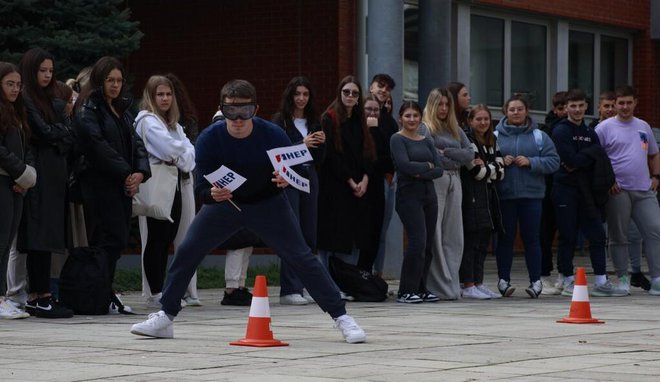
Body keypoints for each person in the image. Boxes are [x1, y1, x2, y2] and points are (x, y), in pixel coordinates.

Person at [130, 79, 366, 344]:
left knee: (302, 256)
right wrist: (212, 194)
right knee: (187, 250)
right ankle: (166, 315)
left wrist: (285, 178)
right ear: (222, 110)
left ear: (256, 109)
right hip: (226, 205)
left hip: (269, 204)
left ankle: (341, 317)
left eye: (245, 111)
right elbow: (200, 187)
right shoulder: (210, 138)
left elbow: (298, 167)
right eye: (231, 111)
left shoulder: (272, 134)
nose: (238, 119)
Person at [73, 56, 151, 313]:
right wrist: (126, 173)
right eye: (110, 80)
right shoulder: (88, 108)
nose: (115, 85)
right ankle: (100, 293)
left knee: (116, 240)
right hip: (99, 183)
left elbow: (136, 143)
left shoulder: (122, 109)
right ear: (99, 81)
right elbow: (96, 146)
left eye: (119, 80)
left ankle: (106, 292)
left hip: (121, 183)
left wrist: (140, 172)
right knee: (106, 238)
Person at [550, 88, 626, 297]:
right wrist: (590, 155)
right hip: (565, 190)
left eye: (580, 106)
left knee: (597, 234)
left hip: (587, 192)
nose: (576, 110)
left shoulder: (590, 132)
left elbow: (595, 158)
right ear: (566, 108)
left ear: (586, 107)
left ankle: (601, 280)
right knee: (568, 236)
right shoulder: (560, 130)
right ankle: (566, 279)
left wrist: (586, 156)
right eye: (572, 106)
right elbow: (571, 161)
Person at [17, 47, 74, 318]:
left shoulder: (50, 99)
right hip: (39, 172)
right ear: (31, 70)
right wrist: (60, 131)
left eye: (50, 71)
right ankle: (36, 295)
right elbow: (43, 131)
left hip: (54, 174)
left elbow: (64, 133)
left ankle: (44, 294)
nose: (47, 75)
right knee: (38, 234)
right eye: (42, 70)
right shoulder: (27, 97)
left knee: (48, 234)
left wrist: (59, 132)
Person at [135, 75, 196, 308]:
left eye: (168, 94)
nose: (165, 99)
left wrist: (178, 153)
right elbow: (168, 149)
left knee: (168, 237)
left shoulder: (175, 125)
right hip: (158, 185)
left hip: (176, 184)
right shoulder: (146, 120)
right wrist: (180, 151)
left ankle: (162, 287)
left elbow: (189, 158)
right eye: (160, 94)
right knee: (156, 238)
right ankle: (155, 291)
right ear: (151, 96)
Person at [595, 85, 660, 295]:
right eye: (620, 103)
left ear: (635, 103)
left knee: (655, 230)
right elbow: (596, 158)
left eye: (628, 102)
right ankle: (623, 278)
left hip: (644, 190)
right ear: (614, 104)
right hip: (618, 191)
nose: (624, 107)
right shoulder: (604, 128)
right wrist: (608, 181)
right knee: (618, 236)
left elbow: (654, 153)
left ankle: (657, 278)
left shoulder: (644, 126)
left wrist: (656, 176)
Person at [494, 95, 559, 298]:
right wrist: (501, 161)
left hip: (532, 197)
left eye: (519, 109)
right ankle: (503, 280)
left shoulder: (540, 136)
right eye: (512, 109)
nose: (516, 113)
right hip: (505, 196)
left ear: (526, 111)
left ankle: (536, 281)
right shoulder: (495, 135)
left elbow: (554, 162)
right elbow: (485, 160)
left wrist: (531, 162)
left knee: (532, 239)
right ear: (505, 112)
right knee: (505, 239)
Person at [317, 76, 375, 285]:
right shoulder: (329, 118)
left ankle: (344, 282)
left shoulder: (360, 121)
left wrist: (365, 179)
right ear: (339, 94)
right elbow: (331, 155)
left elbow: (369, 154)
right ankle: (326, 284)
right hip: (335, 186)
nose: (350, 96)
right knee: (332, 236)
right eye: (346, 92)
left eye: (355, 93)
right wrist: (351, 181)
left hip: (358, 187)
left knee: (350, 237)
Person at [271, 76, 325, 305]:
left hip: (310, 175)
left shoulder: (315, 121)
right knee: (292, 231)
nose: (301, 98)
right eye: (297, 94)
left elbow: (321, 158)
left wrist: (322, 142)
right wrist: (302, 145)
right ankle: (289, 288)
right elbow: (275, 153)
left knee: (309, 231)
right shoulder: (280, 121)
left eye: (305, 94)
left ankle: (307, 284)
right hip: (288, 178)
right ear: (290, 96)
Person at [419, 88, 473, 300]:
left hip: (456, 179)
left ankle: (450, 283)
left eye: (446, 104)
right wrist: (451, 156)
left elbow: (469, 154)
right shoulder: (425, 128)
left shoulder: (455, 129)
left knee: (454, 234)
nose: (443, 109)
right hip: (437, 180)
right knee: (436, 234)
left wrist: (447, 152)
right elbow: (431, 156)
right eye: (439, 104)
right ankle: (438, 286)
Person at [390, 101, 443, 303]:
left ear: (420, 118)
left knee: (428, 244)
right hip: (408, 196)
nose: (411, 119)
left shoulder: (427, 140)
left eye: (415, 115)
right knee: (417, 242)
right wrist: (426, 167)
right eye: (407, 116)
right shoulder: (397, 139)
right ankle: (406, 290)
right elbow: (404, 166)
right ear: (400, 118)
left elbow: (439, 170)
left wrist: (421, 170)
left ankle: (421, 288)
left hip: (429, 196)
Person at [0, 62, 35, 319]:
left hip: (16, 184)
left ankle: (2, 297)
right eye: (9, 84)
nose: (14, 89)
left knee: (7, 241)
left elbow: (26, 148)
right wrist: (20, 172)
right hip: (4, 181)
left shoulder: (16, 111)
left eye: (17, 84)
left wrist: (26, 175)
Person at [459, 105, 504, 299]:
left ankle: (479, 282)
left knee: (483, 241)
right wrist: (492, 167)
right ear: (470, 121)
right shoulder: (468, 140)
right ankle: (468, 283)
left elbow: (501, 172)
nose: (483, 123)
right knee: (472, 241)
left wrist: (489, 167)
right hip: (472, 197)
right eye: (479, 119)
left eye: (486, 119)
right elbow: (476, 172)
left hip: (488, 198)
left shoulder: (493, 140)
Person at [210, 107, 254, 307]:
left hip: (244, 192)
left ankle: (240, 284)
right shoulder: (218, 134)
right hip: (228, 194)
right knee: (237, 242)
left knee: (246, 242)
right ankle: (232, 287)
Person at [359, 74, 398, 273]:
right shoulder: (358, 117)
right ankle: (359, 273)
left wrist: (390, 173)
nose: (384, 90)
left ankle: (377, 274)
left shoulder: (390, 122)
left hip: (384, 180)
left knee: (381, 230)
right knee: (363, 228)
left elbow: (389, 151)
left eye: (388, 88)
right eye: (380, 86)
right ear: (371, 87)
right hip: (361, 180)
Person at [539, 91, 567, 295]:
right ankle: (544, 274)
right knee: (545, 233)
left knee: (567, 232)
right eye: (561, 108)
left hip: (568, 186)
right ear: (554, 109)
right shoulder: (546, 130)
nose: (565, 112)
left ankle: (565, 273)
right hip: (548, 188)